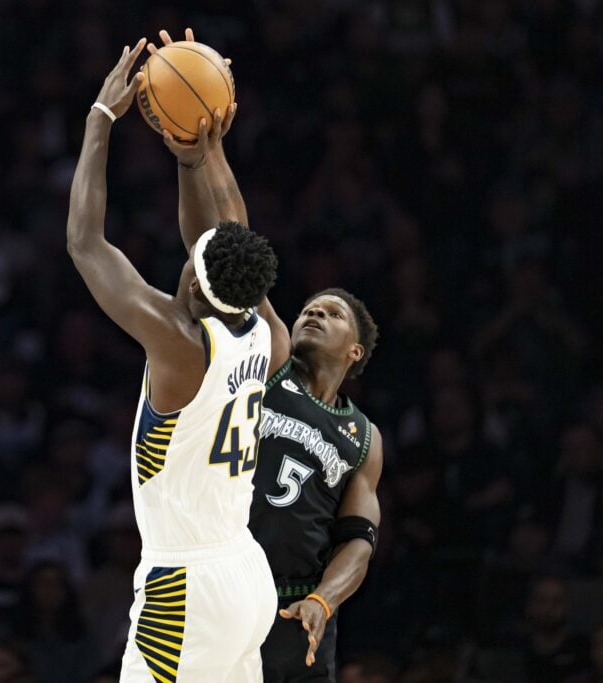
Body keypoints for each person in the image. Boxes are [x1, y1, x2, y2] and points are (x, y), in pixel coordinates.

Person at [153, 27, 384, 680]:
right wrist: (200, 154)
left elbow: (358, 546)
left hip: (293, 611)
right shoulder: (273, 359)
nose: (316, 308)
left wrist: (323, 598)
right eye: (315, 302)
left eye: (334, 311)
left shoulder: (362, 438)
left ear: (355, 349)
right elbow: (228, 244)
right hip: (222, 588)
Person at [67, 38, 280, 681]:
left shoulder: (179, 345)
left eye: (188, 261)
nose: (183, 254)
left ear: (192, 285)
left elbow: (84, 243)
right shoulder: (267, 335)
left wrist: (98, 123)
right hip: (246, 574)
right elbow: (226, 231)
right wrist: (201, 154)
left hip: (183, 588)